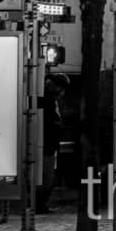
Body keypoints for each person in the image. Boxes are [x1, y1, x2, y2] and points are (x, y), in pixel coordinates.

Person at [37, 74, 66, 212]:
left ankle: (40, 204)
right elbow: (52, 121)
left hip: (47, 143)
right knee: (46, 176)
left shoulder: (46, 97)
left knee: (46, 175)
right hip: (47, 144)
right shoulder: (48, 99)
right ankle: (40, 204)